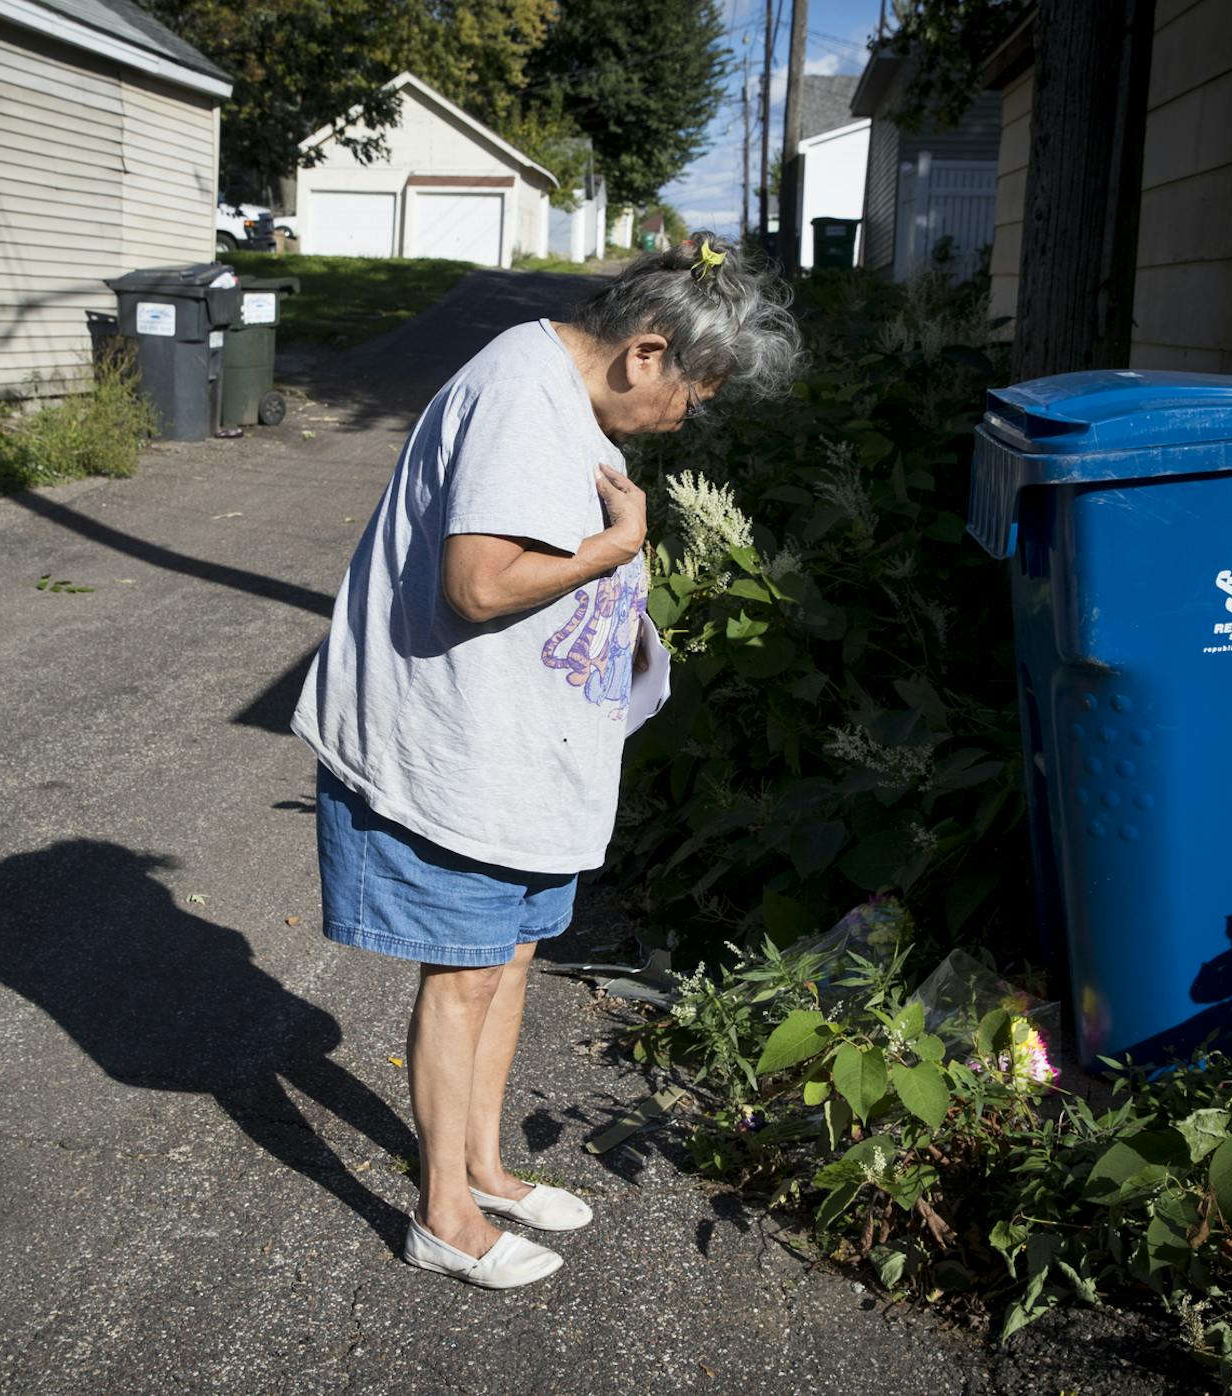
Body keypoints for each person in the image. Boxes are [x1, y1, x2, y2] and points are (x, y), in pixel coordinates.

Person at [291, 233, 800, 1289]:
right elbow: (478, 584)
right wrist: (615, 552)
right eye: (694, 391)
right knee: (468, 969)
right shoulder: (523, 396)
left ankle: (479, 1167)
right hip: (456, 740)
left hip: (519, 742)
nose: (690, 413)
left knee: (510, 954)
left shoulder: (558, 389)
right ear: (645, 352)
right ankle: (441, 1216)